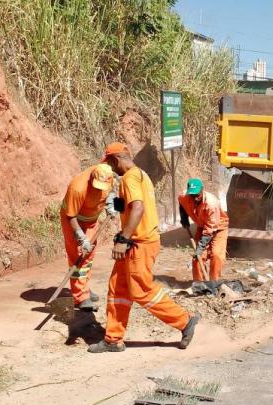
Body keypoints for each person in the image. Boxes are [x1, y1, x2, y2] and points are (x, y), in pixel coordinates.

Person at [88, 142, 200, 353]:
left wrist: (123, 240)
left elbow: (138, 208)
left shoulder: (130, 178)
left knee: (141, 290)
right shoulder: (141, 175)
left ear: (116, 159)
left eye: (111, 165)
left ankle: (185, 321)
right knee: (118, 289)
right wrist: (120, 206)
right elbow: (135, 206)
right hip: (137, 240)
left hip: (139, 243)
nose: (112, 170)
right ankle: (113, 339)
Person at [59, 162, 117, 311]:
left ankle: (84, 288)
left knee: (88, 256)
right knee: (78, 256)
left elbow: (110, 191)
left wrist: (110, 203)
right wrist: (81, 237)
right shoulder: (77, 188)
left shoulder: (107, 177)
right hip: (74, 221)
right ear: (91, 178)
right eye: (96, 186)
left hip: (91, 220)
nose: (99, 189)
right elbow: (71, 216)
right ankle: (80, 297)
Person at [178, 178, 229, 281]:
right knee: (198, 257)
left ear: (202, 190)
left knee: (216, 255)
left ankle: (214, 283)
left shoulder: (211, 204)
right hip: (203, 226)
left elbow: (210, 229)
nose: (195, 198)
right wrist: (184, 218)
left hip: (219, 227)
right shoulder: (184, 196)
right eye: (192, 195)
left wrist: (200, 247)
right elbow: (182, 204)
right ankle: (199, 283)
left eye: (197, 195)